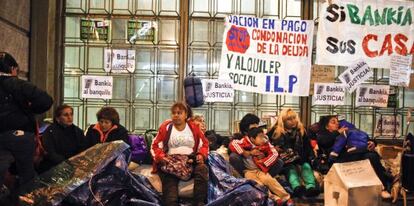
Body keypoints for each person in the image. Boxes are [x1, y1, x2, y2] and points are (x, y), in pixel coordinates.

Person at [0, 52, 53, 188]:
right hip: (20, 136)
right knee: (27, 175)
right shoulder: (19, 84)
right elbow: (46, 100)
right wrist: (30, 109)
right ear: (12, 69)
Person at [316, 115, 392, 198]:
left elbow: (359, 137)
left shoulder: (345, 131)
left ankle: (383, 187)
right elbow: (323, 141)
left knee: (371, 156)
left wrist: (372, 142)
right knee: (368, 155)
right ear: (327, 126)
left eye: (337, 121)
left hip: (354, 155)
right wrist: (338, 133)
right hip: (337, 160)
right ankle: (385, 181)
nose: (337, 123)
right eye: (333, 122)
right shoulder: (323, 135)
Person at [151, 102, 209, 206]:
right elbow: (154, 146)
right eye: (174, 113)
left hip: (190, 161)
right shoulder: (166, 127)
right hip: (170, 162)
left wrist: (201, 155)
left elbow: (204, 144)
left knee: (202, 169)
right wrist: (161, 157)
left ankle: (199, 202)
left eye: (179, 113)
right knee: (170, 189)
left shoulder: (194, 128)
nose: (176, 115)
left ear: (186, 115)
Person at [231, 127, 292, 205]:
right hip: (248, 171)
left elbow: (274, 153)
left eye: (263, 136)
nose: (263, 138)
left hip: (261, 170)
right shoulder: (244, 141)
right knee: (258, 184)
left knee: (270, 181)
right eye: (260, 137)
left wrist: (263, 161)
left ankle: (286, 197)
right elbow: (233, 143)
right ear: (252, 139)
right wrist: (246, 152)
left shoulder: (265, 143)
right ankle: (275, 199)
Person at [267, 108, 319, 197]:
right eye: (289, 119)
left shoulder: (301, 130)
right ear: (283, 121)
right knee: (291, 170)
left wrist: (312, 158)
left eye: (294, 118)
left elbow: (307, 147)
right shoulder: (275, 131)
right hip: (284, 161)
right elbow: (268, 146)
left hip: (300, 158)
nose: (293, 121)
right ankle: (297, 188)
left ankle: (311, 187)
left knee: (306, 166)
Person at [40, 104, 87, 171]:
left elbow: (83, 149)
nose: (70, 117)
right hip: (54, 166)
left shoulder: (77, 131)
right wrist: (66, 163)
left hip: (75, 166)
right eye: (66, 115)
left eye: (71, 114)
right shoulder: (50, 131)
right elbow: (50, 152)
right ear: (57, 118)